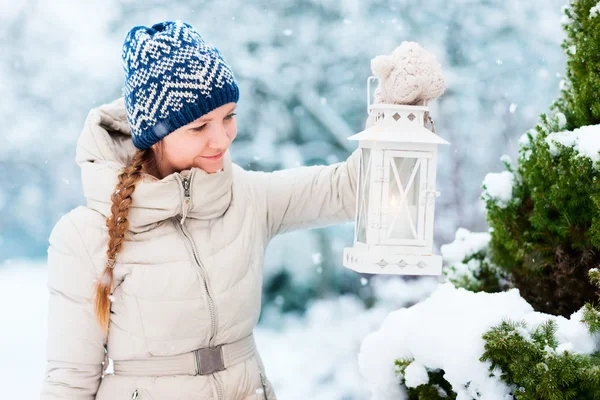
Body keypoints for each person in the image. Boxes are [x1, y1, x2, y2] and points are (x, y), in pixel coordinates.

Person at [40, 19, 360, 400]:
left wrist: (400, 110)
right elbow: (70, 381)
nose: (222, 137)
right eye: (199, 126)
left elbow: (349, 188)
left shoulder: (247, 196)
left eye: (229, 116)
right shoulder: (85, 234)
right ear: (155, 135)